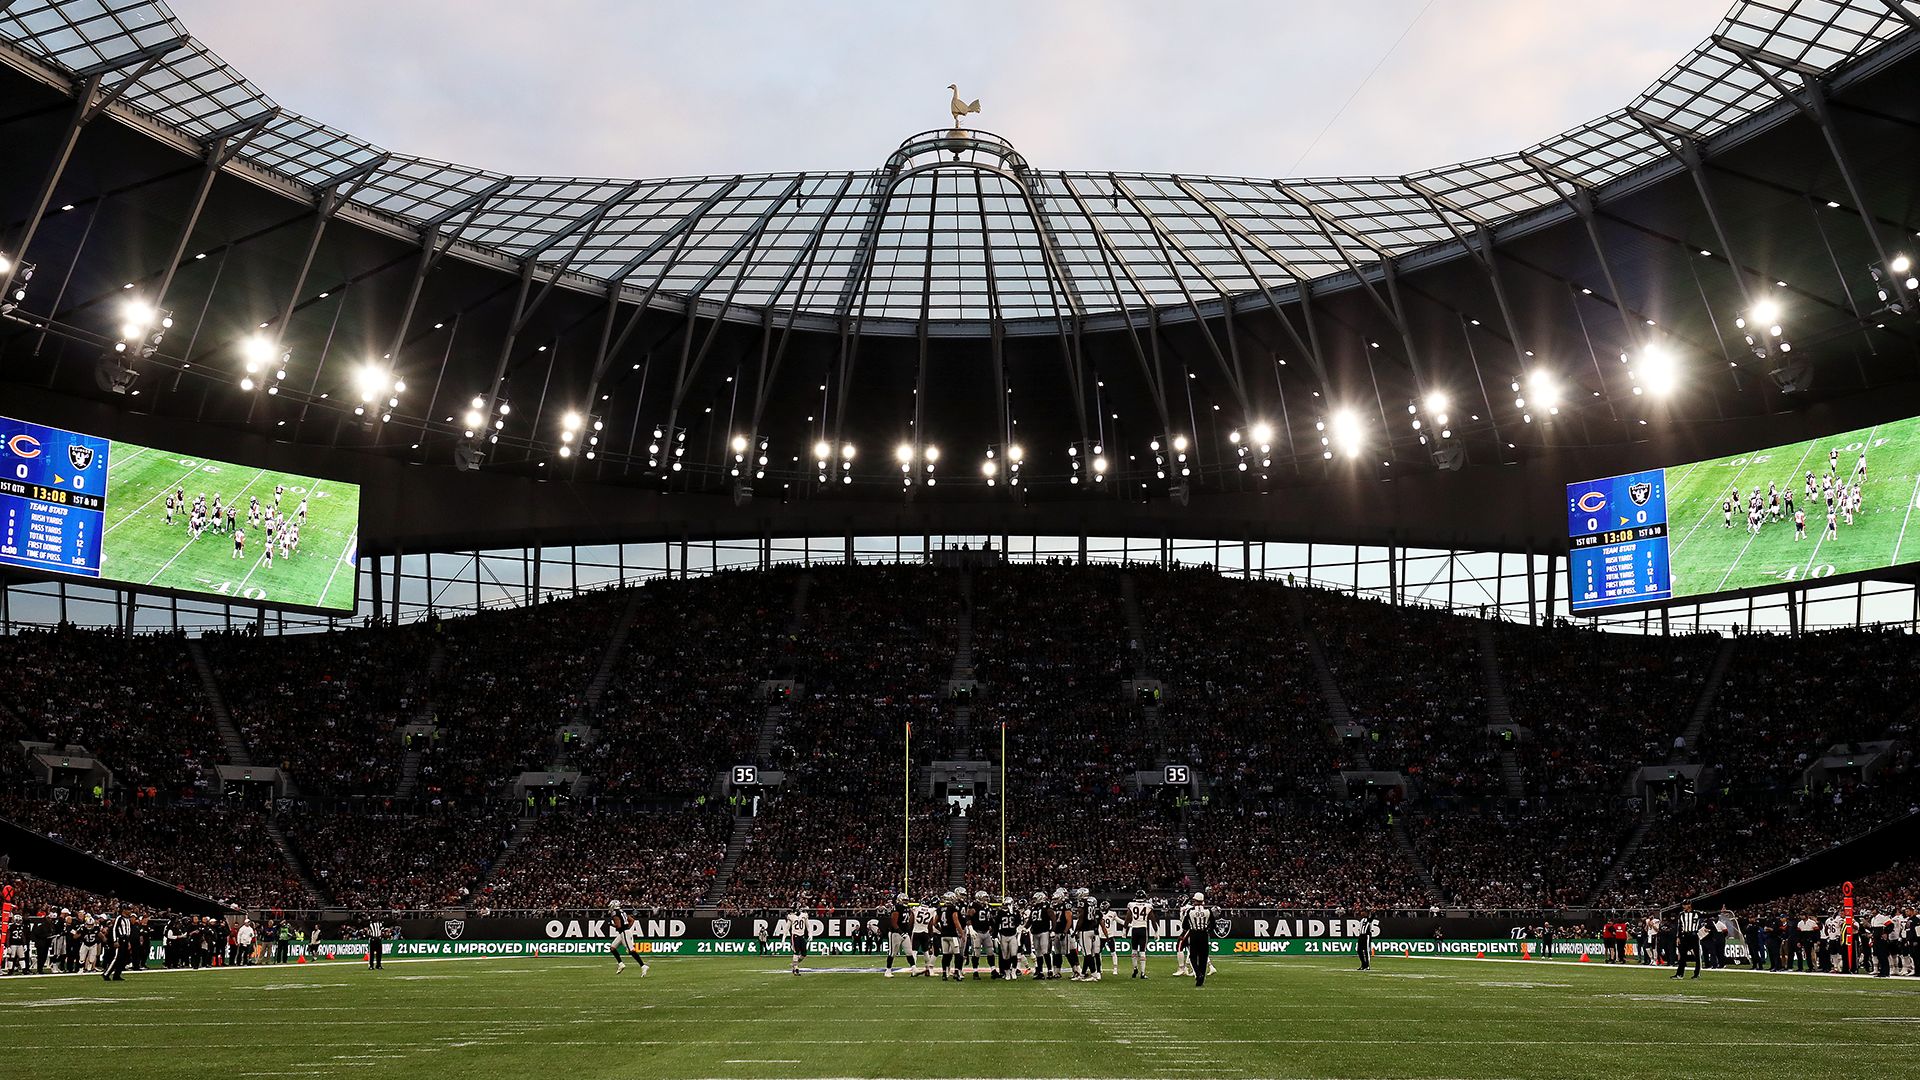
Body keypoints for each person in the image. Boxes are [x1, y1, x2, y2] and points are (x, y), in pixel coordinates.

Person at [1182, 892, 1213, 987]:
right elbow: (1213, 925)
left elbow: (1184, 925)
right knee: (1203, 957)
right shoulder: (1208, 911)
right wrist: (1207, 929)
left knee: (1193, 957)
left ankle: (1198, 974)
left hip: (1194, 934)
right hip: (1204, 934)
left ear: (1195, 901)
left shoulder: (1190, 911)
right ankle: (1201, 978)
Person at [1127, 890, 1154, 979]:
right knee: (1142, 952)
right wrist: (1156, 931)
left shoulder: (1131, 905)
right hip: (1143, 929)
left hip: (1134, 929)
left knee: (1134, 951)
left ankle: (1135, 968)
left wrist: (1124, 930)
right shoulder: (1148, 906)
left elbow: (1128, 918)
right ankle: (1142, 973)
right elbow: (1152, 920)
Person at [1672, 903, 1702, 980]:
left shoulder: (1696, 913)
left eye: (1685, 905)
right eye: (1683, 905)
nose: (1683, 906)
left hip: (1693, 936)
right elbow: (1679, 926)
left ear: (1689, 905)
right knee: (1682, 956)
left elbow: (1708, 914)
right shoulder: (1681, 914)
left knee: (1697, 956)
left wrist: (1720, 912)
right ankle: (1679, 974)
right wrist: (1678, 937)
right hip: (1684, 936)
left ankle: (1696, 974)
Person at [785, 898, 809, 976]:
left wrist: (810, 934)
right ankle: (796, 968)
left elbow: (808, 926)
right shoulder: (791, 916)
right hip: (795, 935)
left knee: (804, 954)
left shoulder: (804, 915)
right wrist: (783, 938)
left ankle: (794, 964)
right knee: (796, 952)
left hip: (801, 935)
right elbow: (786, 928)